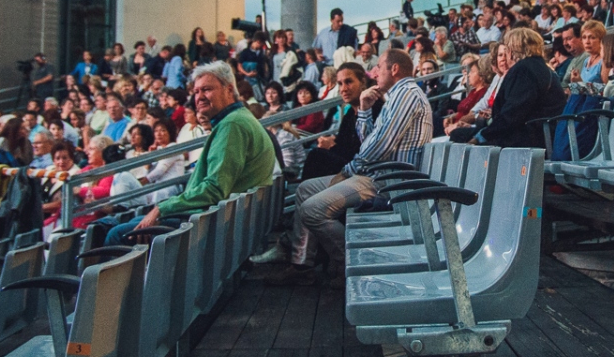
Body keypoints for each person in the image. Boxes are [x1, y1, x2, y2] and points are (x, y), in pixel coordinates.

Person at [274, 48, 432, 284]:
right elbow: (368, 142)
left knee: (312, 210)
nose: (375, 73)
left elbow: (380, 146)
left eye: (379, 67)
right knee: (305, 189)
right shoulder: (396, 96)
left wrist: (348, 170)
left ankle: (349, 265)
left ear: (394, 69)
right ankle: (302, 264)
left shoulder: (407, 94)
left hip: (388, 181)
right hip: (377, 174)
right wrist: (365, 109)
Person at [103, 61, 276, 245]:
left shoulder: (232, 125)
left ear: (229, 90)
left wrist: (162, 208)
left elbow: (214, 189)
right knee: (109, 224)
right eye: (196, 91)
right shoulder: (238, 119)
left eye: (207, 89)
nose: (199, 97)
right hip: (215, 220)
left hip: (206, 227)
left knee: (115, 234)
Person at [473, 28, 566, 149]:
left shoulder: (524, 69)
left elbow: (513, 112)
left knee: (460, 136)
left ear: (512, 51)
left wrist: (482, 136)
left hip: (528, 138)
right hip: (542, 133)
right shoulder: (541, 67)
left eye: (506, 50)